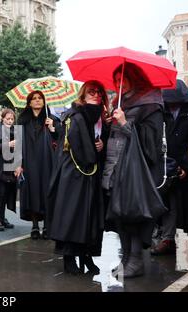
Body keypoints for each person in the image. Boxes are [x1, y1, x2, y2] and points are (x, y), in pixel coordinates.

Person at [102, 63, 164, 278]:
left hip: (134, 169)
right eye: (116, 80)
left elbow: (151, 140)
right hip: (114, 165)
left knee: (133, 213)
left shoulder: (151, 101)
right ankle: (126, 257)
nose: (119, 83)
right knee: (119, 213)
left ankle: (136, 259)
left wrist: (125, 123)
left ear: (134, 77)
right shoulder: (120, 102)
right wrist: (111, 122)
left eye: (122, 79)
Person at [47, 80, 107, 275]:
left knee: (89, 217)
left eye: (99, 92)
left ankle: (86, 254)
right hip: (74, 173)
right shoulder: (77, 115)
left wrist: (101, 146)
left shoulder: (98, 117)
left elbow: (98, 141)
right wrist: (93, 153)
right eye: (91, 91)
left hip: (89, 173)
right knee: (72, 215)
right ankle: (69, 257)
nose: (96, 94)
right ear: (83, 94)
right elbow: (76, 145)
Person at [151, 79, 188, 255]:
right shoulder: (162, 113)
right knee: (168, 203)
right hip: (168, 166)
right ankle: (167, 238)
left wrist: (187, 166)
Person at [16, 91, 57, 239]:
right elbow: (19, 143)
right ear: (29, 103)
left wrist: (53, 127)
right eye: (34, 99)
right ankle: (34, 226)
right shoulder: (22, 121)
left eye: (40, 98)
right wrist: (18, 164)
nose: (38, 101)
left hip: (47, 160)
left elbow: (60, 138)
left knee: (46, 191)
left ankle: (47, 226)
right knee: (32, 191)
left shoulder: (50, 118)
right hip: (29, 160)